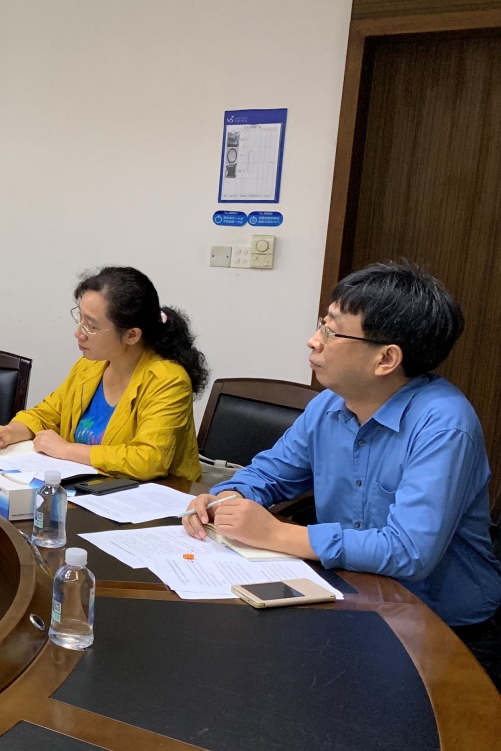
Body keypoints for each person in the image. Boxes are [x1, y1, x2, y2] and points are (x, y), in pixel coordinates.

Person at [183, 262, 501, 678]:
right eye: (322, 324)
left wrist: (276, 534)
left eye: (332, 331)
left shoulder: (443, 424)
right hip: (350, 598)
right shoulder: (329, 405)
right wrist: (229, 499)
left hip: (443, 627)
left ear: (386, 359)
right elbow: (270, 474)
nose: (314, 340)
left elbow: (409, 551)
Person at [0, 266, 207, 481]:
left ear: (132, 335)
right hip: (87, 489)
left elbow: (149, 459)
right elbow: (46, 414)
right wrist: (10, 432)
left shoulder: (168, 380)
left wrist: (66, 449)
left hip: (153, 497)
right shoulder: (90, 366)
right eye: (80, 319)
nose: (79, 333)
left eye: (92, 326)